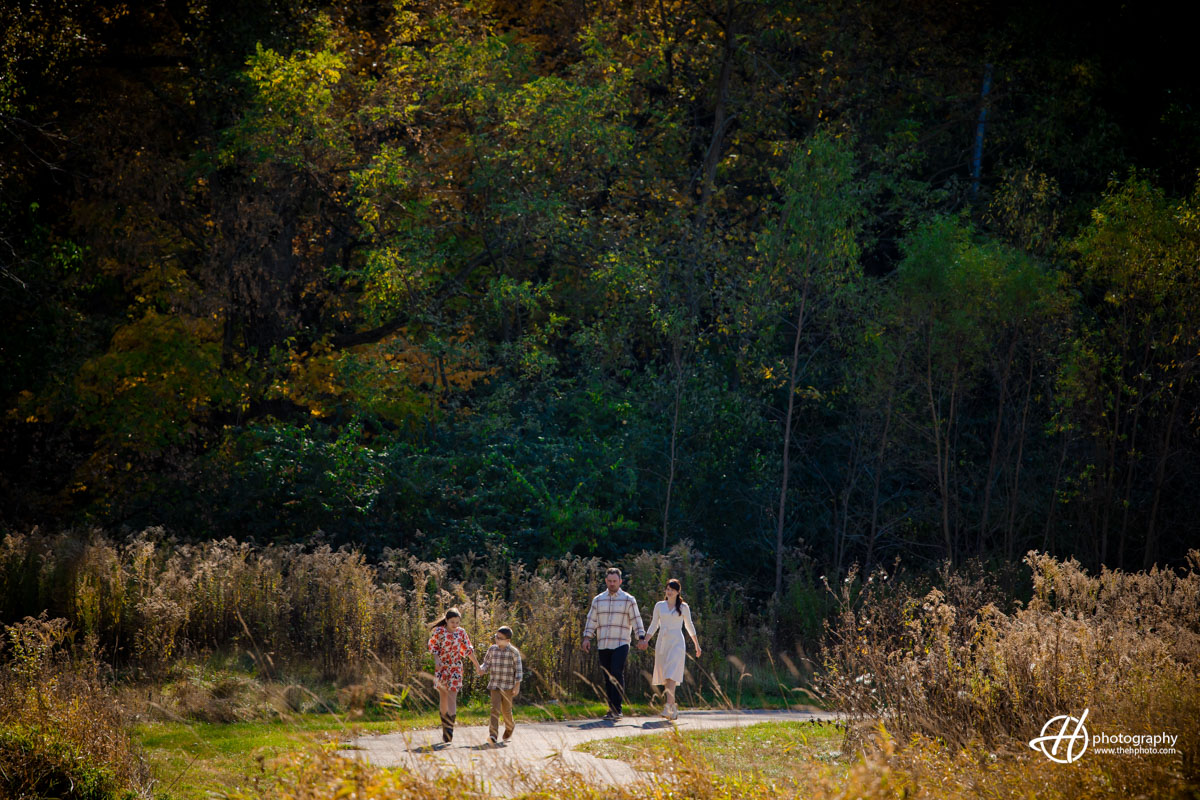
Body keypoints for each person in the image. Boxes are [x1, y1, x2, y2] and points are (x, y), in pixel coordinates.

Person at [582, 567, 645, 720]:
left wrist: (641, 637)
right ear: (606, 581)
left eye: (614, 581)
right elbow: (592, 620)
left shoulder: (628, 600)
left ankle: (617, 709)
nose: (612, 584)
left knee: (616, 672)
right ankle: (611, 709)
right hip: (603, 643)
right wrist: (586, 638)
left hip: (621, 642)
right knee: (607, 676)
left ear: (620, 582)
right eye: (609, 581)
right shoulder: (598, 600)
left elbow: (636, 619)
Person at [642, 578, 701, 720]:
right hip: (663, 642)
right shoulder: (659, 606)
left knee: (671, 674)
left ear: (677, 592)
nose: (669, 592)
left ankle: (668, 707)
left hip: (677, 643)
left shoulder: (683, 607)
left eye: (672, 590)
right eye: (667, 589)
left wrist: (696, 645)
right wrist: (645, 640)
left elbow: (689, 625)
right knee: (665, 676)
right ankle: (672, 707)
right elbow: (654, 624)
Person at [427, 607, 481, 743]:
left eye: (457, 622)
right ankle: (445, 727)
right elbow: (433, 647)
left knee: (452, 696)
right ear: (446, 620)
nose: (455, 625)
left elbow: (468, 650)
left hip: (456, 668)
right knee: (443, 697)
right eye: (452, 622)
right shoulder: (439, 632)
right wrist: (436, 659)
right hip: (442, 668)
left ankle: (450, 729)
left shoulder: (461, 633)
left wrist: (477, 666)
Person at [477, 625, 523, 745]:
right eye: (496, 637)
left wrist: (517, 685)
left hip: (508, 686)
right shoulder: (492, 649)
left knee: (506, 711)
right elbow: (486, 664)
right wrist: (482, 669)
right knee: (494, 710)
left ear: (507, 641)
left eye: (500, 638)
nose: (496, 639)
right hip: (495, 685)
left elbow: (518, 670)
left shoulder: (513, 652)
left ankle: (510, 726)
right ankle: (493, 735)